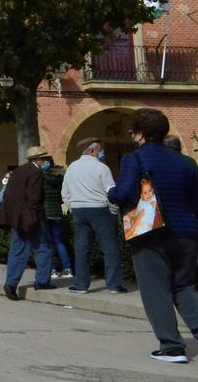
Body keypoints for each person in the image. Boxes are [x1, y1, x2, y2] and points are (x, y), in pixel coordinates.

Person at [107, 108, 198, 364]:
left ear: (140, 134)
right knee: (184, 286)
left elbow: (125, 194)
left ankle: (171, 347)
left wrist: (111, 193)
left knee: (155, 289)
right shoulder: (185, 162)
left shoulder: (134, 159)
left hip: (151, 232)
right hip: (188, 232)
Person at [62, 138, 125, 294]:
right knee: (109, 248)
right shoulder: (102, 168)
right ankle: (114, 284)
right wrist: (114, 210)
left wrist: (73, 205)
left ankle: (81, 284)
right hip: (100, 209)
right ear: (92, 151)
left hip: (79, 210)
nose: (101, 152)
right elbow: (111, 191)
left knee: (82, 249)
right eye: (99, 149)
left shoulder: (71, 168)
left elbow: (65, 193)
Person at [0, 146, 55, 301]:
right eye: (45, 159)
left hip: (17, 218)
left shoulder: (17, 172)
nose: (47, 162)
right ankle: (42, 281)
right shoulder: (36, 173)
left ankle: (10, 283)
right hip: (32, 218)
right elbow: (34, 197)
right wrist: (37, 215)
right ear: (39, 159)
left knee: (17, 251)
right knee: (43, 248)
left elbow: (8, 195)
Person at [41, 155, 73, 279]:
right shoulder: (60, 178)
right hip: (58, 214)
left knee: (48, 243)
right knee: (59, 242)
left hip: (46, 214)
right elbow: (61, 198)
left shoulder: (41, 178)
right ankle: (67, 268)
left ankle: (53, 269)